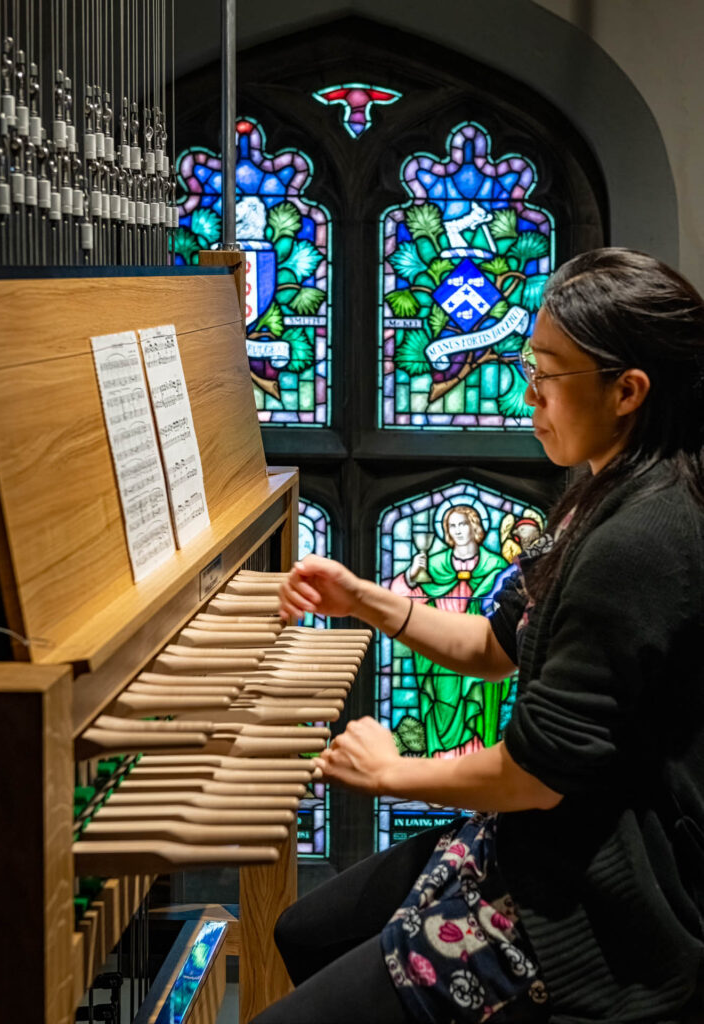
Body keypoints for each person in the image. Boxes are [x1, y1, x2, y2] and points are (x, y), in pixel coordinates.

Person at [252, 248, 704, 1024]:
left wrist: (394, 772)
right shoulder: (599, 490)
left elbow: (535, 777)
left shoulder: (645, 538)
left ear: (628, 391)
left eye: (548, 371)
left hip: (594, 899)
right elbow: (492, 648)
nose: (529, 389)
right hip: (541, 839)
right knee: (303, 930)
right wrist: (365, 601)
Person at [389, 503, 509, 757]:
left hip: (480, 649)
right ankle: (440, 771)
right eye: (452, 526)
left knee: (474, 710)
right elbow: (399, 604)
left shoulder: (495, 565)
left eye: (463, 524)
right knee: (439, 710)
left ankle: (477, 773)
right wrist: (411, 574)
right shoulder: (433, 565)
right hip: (439, 652)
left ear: (475, 527)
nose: (458, 531)